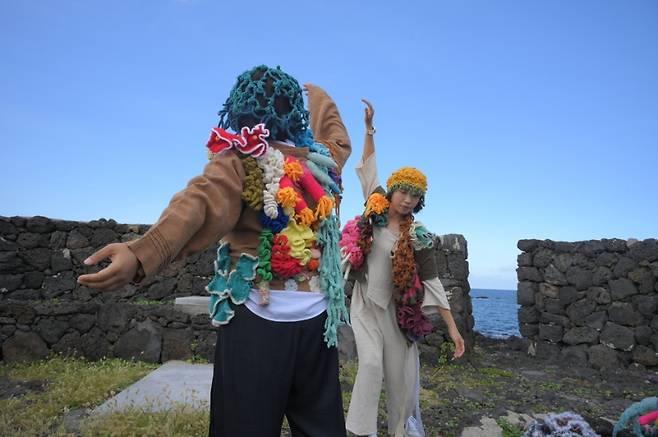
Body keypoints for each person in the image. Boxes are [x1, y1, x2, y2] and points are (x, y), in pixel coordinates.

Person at [78, 65, 351, 437]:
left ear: (240, 112)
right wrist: (321, 98)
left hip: (272, 320)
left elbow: (200, 202)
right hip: (302, 319)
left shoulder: (253, 160)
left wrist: (143, 252)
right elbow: (337, 137)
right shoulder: (316, 163)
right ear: (295, 112)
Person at [340, 99, 465, 437]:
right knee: (369, 364)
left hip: (398, 314)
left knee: (401, 383)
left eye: (415, 196)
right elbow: (368, 167)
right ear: (393, 190)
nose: (407, 200)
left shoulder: (420, 237)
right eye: (404, 192)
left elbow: (433, 281)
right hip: (366, 304)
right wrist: (368, 129)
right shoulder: (375, 205)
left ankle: (398, 431)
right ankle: (360, 431)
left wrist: (452, 328)